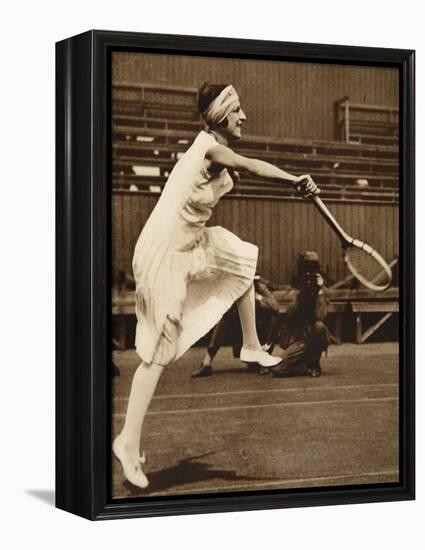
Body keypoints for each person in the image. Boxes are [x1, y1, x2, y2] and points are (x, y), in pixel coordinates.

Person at [113, 83, 319, 489]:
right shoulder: (208, 146)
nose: (244, 117)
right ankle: (126, 441)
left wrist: (293, 184)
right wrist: (295, 179)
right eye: (237, 110)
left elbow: (237, 169)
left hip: (192, 241)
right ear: (221, 116)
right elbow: (252, 165)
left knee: (242, 258)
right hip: (165, 250)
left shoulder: (215, 156)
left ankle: (252, 346)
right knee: (157, 354)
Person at [191, 274, 281, 377]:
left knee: (274, 319)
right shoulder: (234, 288)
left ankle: (264, 360)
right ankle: (207, 363)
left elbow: (276, 307)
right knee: (225, 320)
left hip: (259, 335)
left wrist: (258, 299)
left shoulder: (260, 288)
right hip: (241, 336)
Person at [271, 251, 330, 378]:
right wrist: (301, 295)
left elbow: (321, 315)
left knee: (319, 326)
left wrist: (319, 292)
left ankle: (314, 363)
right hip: (300, 337)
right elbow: (291, 313)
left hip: (314, 336)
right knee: (278, 369)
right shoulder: (300, 287)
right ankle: (304, 367)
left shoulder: (322, 291)